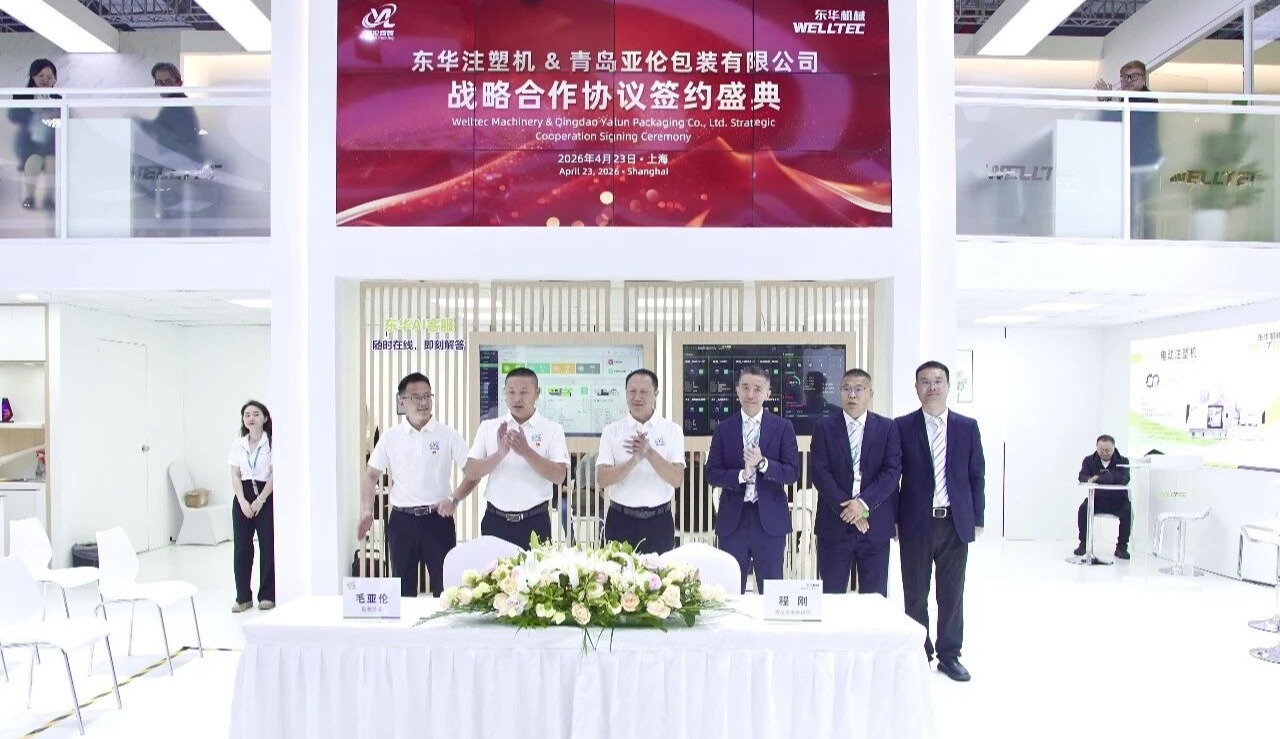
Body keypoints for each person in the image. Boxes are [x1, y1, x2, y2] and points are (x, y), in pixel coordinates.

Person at [895, 361, 985, 682]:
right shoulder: (902, 426)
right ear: (916, 388)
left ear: (948, 386)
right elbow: (894, 477)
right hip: (915, 523)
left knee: (952, 593)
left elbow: (977, 475)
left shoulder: (967, 427)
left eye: (938, 381)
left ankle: (950, 655)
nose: (932, 387)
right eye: (925, 382)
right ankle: (919, 651)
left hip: (954, 522)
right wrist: (893, 520)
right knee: (915, 593)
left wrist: (977, 518)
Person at [358, 372, 477, 597]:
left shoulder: (448, 435)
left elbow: (473, 473)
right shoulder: (390, 437)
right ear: (401, 401)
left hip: (438, 520)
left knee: (446, 589)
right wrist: (366, 510)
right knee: (403, 590)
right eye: (416, 397)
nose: (423, 402)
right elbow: (371, 475)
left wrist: (454, 499)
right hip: (402, 521)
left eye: (427, 396)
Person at [705, 365, 799, 593]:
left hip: (770, 522)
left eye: (757, 389)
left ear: (768, 393)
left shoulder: (783, 427)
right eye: (745, 387)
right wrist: (741, 475)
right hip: (733, 521)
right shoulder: (723, 429)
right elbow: (712, 473)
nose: (750, 394)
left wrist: (763, 463)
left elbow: (792, 472)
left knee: (772, 591)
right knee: (729, 591)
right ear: (737, 390)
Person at [810, 369, 902, 597]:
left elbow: (891, 472)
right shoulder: (823, 428)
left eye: (859, 389)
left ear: (870, 393)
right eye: (846, 389)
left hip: (874, 527)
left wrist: (862, 505)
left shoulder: (887, 428)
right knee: (831, 597)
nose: (852, 395)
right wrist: (850, 509)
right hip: (834, 526)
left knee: (874, 598)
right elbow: (820, 473)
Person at [464, 367, 569, 548]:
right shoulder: (488, 427)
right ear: (505, 393)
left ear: (537, 393)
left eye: (523, 392)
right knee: (492, 567)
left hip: (535, 522)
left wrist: (526, 451)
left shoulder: (552, 429)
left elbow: (559, 476)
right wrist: (499, 454)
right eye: (511, 392)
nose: (517, 398)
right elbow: (471, 471)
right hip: (495, 521)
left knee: (536, 568)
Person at [596, 369, 686, 554]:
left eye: (644, 392)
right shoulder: (612, 431)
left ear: (656, 394)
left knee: (661, 573)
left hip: (659, 521)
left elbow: (676, 479)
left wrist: (649, 453)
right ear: (626, 394)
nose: (637, 397)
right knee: (617, 572)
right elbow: (602, 479)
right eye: (632, 391)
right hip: (620, 520)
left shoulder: (672, 430)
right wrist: (635, 459)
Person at [1095, 60, 1161, 238]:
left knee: (1140, 209)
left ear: (1143, 78)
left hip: (1142, 166)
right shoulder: (1125, 100)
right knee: (1128, 208)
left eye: (1134, 76)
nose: (1128, 81)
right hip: (1130, 164)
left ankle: (1143, 243)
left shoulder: (1148, 99)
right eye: (1124, 77)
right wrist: (1108, 101)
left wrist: (1107, 100)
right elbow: (1110, 127)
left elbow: (1125, 121)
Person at [227, 400, 275, 612]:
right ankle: (243, 597)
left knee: (268, 546)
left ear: (265, 418)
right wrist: (242, 501)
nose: (251, 418)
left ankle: (267, 595)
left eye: (256, 414)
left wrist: (260, 500)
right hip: (243, 496)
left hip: (266, 495)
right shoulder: (238, 444)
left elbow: (274, 475)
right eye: (247, 415)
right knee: (242, 548)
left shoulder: (271, 443)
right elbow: (235, 475)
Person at [8, 59, 60, 210]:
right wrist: (31, 111)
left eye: (49, 77)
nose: (45, 80)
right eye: (41, 76)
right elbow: (12, 116)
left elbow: (63, 124)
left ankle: (49, 199)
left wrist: (52, 117)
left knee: (52, 162)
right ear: (33, 76)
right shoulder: (21, 96)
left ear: (54, 80)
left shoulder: (58, 99)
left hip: (51, 145)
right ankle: (29, 197)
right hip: (29, 145)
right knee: (33, 161)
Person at [1075, 434, 1132, 560]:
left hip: (1118, 501)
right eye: (1101, 450)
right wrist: (1089, 479)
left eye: (1108, 450)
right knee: (1083, 509)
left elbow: (1125, 479)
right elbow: (1082, 476)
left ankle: (1121, 547)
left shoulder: (1124, 461)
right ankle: (1084, 544)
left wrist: (1103, 478)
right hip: (1097, 500)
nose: (1105, 453)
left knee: (1128, 510)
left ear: (1114, 448)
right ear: (1096, 447)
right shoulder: (1088, 460)